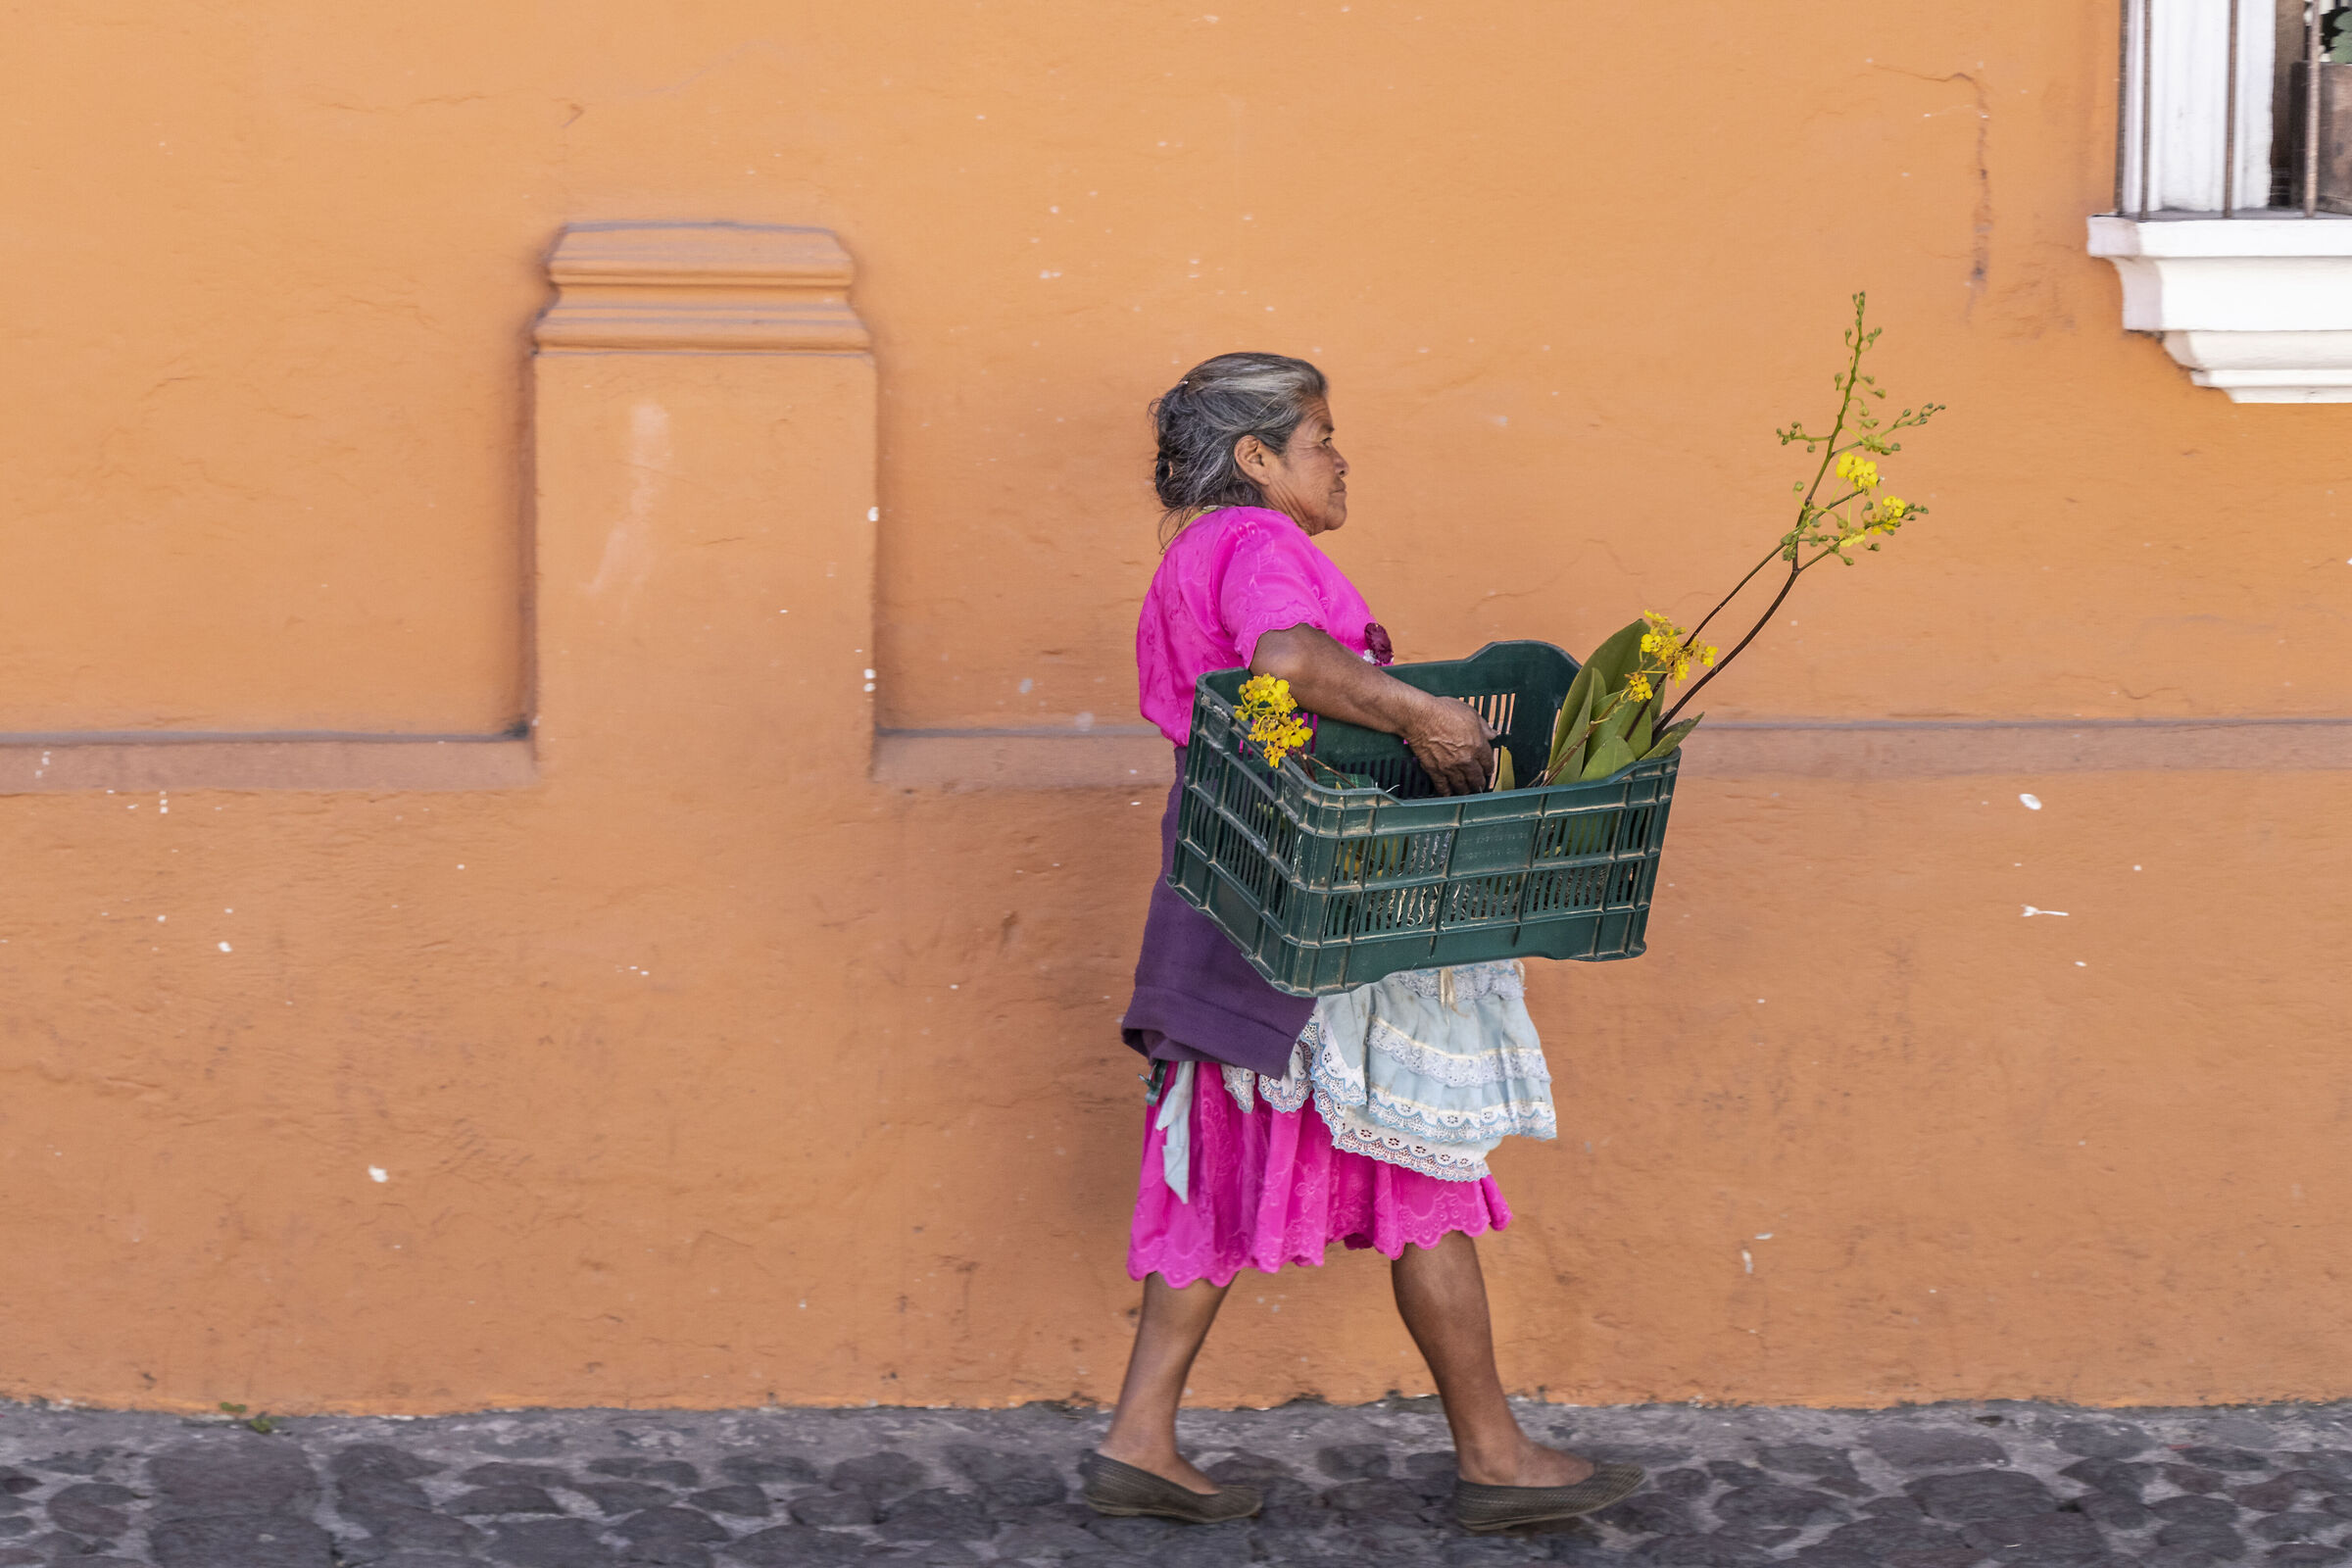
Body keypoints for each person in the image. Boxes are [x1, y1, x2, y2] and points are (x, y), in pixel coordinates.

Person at [1080, 353, 1647, 1536]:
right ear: (1257, 457)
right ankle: (1492, 1453)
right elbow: (1288, 660)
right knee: (1424, 1161)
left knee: (1221, 1156)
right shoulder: (1259, 541)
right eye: (1322, 437)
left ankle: (1140, 1439)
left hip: (1231, 890)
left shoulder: (1190, 559)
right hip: (1311, 902)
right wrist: (1424, 712)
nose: (1340, 460)